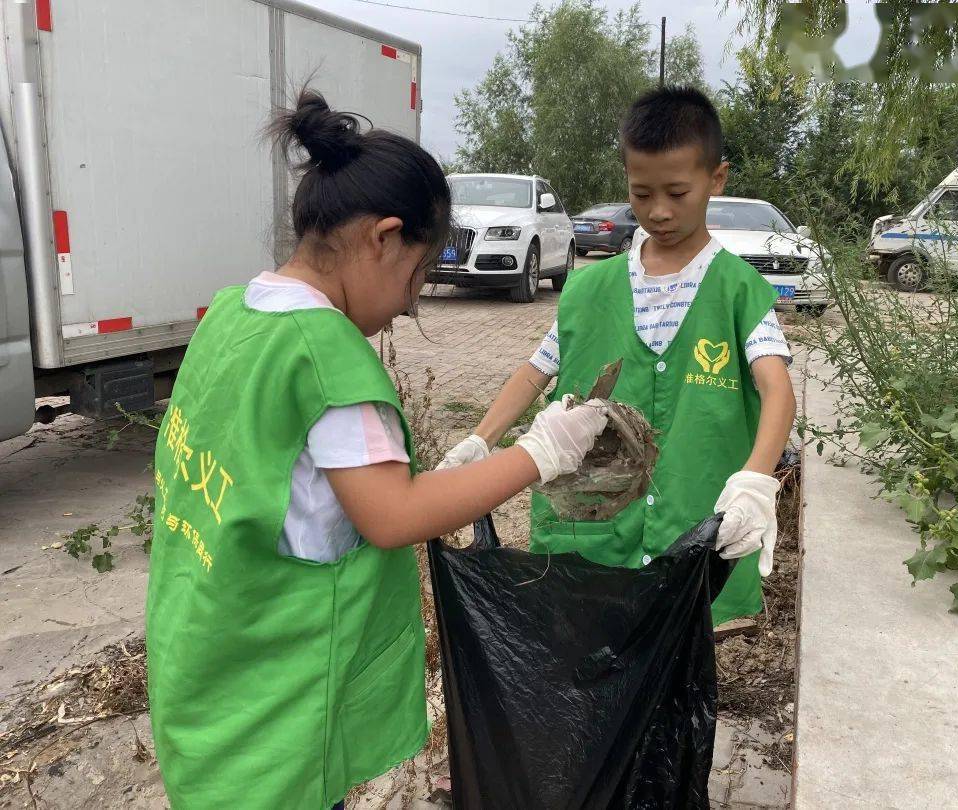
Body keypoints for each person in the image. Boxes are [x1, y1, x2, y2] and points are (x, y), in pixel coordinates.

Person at [144, 88, 608, 810]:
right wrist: (538, 455)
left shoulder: (231, 315)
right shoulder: (328, 357)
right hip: (279, 698)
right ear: (383, 237)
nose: (407, 308)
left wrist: (470, 463)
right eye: (418, 279)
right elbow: (392, 517)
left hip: (205, 654)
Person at [439, 86, 797, 629]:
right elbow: (536, 371)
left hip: (690, 538)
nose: (659, 211)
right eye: (641, 192)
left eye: (678, 192)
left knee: (675, 670)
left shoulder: (740, 291)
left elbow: (777, 390)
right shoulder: (588, 290)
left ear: (716, 180)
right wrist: (481, 439)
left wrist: (755, 478)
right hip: (591, 532)